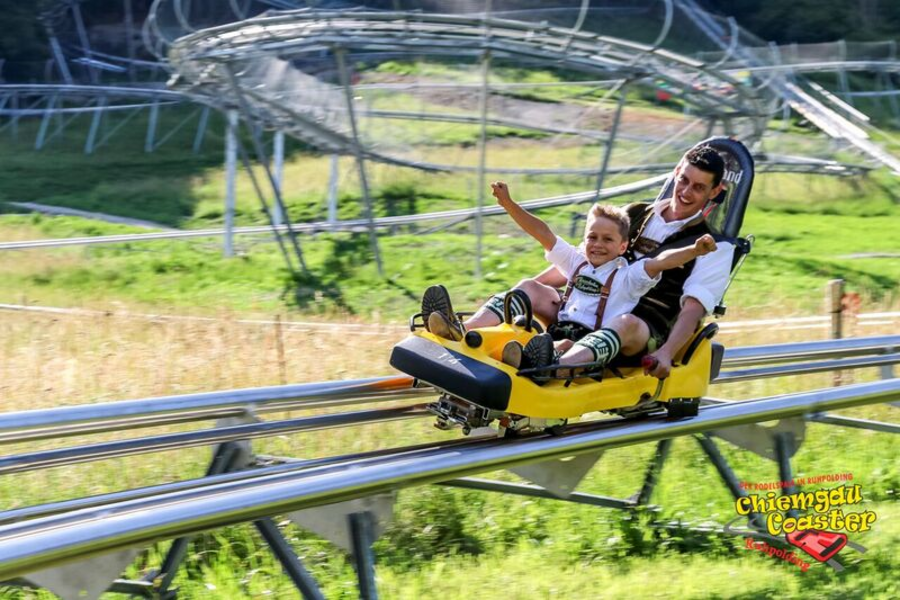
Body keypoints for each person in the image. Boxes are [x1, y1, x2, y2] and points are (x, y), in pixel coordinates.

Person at [423, 144, 733, 378]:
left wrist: (666, 353)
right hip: (590, 308)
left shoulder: (714, 246)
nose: (686, 192)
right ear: (677, 171)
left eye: (699, 187)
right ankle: (460, 333)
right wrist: (528, 296)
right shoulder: (635, 213)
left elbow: (693, 310)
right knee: (530, 287)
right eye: (684, 180)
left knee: (624, 323)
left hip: (643, 330)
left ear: (716, 191)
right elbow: (583, 260)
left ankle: (550, 366)